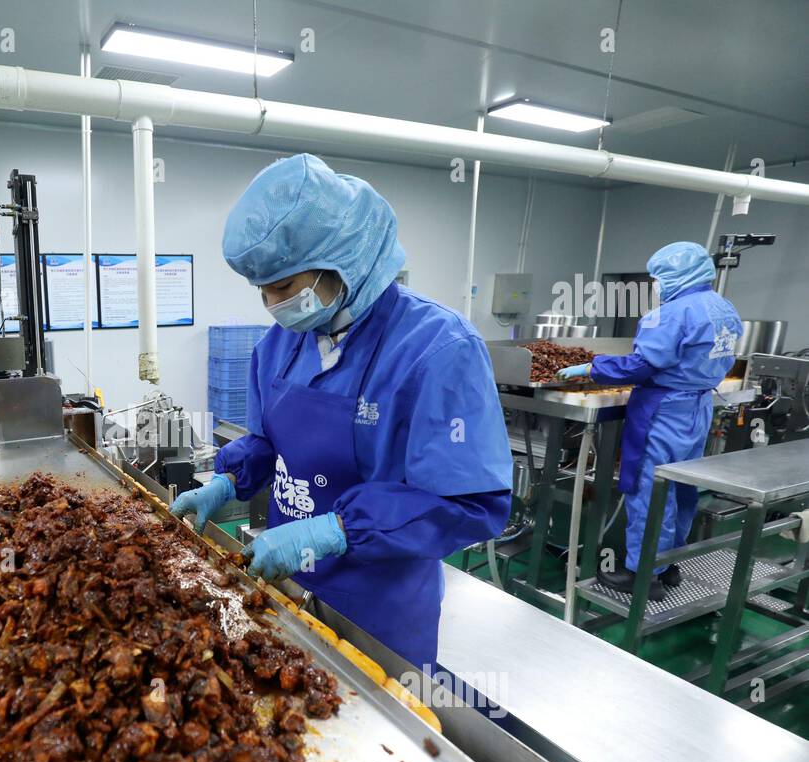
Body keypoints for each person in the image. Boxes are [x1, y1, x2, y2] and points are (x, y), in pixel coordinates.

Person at [171, 154, 512, 670]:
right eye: (262, 289)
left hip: (379, 610)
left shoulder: (439, 351)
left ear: (342, 261)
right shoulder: (282, 344)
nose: (272, 303)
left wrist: (335, 531)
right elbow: (269, 442)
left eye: (284, 287)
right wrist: (227, 482)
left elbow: (471, 503)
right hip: (287, 585)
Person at [555, 241, 742, 598]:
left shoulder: (669, 314)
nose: (656, 285)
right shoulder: (723, 308)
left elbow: (643, 365)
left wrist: (593, 367)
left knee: (651, 489)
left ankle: (643, 575)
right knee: (684, 486)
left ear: (675, 276)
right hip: (698, 407)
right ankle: (669, 564)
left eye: (658, 278)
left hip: (664, 409)